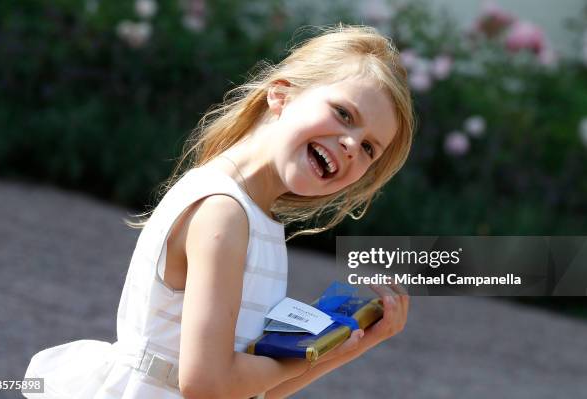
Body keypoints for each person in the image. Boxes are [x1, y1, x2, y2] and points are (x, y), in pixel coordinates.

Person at [23, 25, 413, 399]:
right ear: (281, 95)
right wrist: (305, 354)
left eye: (368, 149)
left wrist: (348, 345)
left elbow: (252, 390)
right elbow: (207, 383)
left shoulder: (258, 220)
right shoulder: (223, 212)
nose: (350, 143)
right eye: (344, 114)